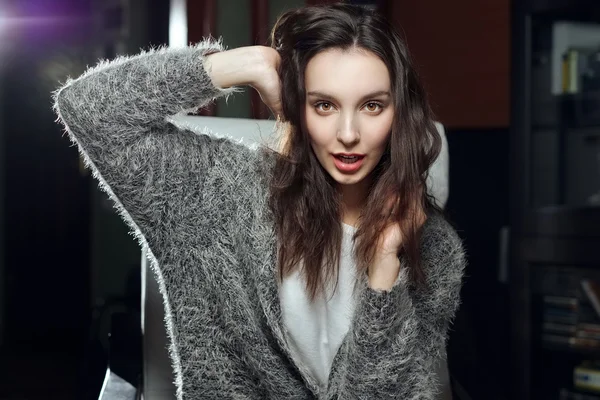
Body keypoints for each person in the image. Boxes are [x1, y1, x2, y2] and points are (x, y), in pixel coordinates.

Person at [53, 3, 465, 399]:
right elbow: (88, 110)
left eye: (372, 106)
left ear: (400, 114)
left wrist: (384, 269)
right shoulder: (215, 193)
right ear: (295, 105)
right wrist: (238, 65)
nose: (348, 133)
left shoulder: (434, 249)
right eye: (324, 105)